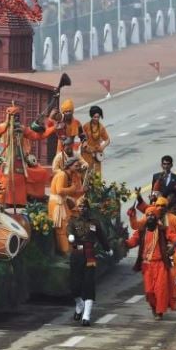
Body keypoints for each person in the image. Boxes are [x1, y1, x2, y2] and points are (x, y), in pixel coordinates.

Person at [125, 206, 176, 319]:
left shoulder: (163, 230)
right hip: (147, 266)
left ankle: (160, 312)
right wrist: (123, 243)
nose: (150, 217)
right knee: (149, 291)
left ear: (156, 217)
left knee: (160, 289)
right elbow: (132, 242)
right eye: (148, 215)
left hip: (160, 265)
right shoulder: (141, 231)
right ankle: (154, 307)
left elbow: (175, 238)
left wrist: (173, 246)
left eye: (152, 215)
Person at [67, 197, 111, 326]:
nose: (82, 209)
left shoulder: (95, 223)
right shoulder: (73, 222)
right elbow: (68, 231)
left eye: (84, 206)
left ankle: (86, 315)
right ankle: (79, 305)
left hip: (89, 256)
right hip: (76, 255)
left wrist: (108, 249)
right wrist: (70, 235)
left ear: (88, 208)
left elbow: (102, 237)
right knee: (74, 286)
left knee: (89, 285)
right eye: (80, 207)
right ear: (77, 208)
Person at [49, 145, 87, 254]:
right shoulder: (62, 175)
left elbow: (73, 193)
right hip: (57, 204)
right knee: (62, 227)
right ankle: (65, 250)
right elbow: (60, 191)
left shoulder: (70, 175)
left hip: (62, 202)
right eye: (76, 166)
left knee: (69, 223)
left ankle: (70, 247)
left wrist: (82, 191)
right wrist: (72, 188)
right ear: (69, 166)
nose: (78, 167)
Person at [81, 105, 110, 179]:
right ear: (91, 116)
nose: (96, 119)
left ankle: (97, 189)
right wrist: (85, 144)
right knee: (86, 173)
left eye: (98, 117)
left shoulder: (101, 127)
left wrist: (102, 147)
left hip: (97, 153)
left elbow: (107, 140)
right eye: (94, 117)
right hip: (87, 153)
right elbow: (82, 138)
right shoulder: (86, 126)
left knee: (97, 174)